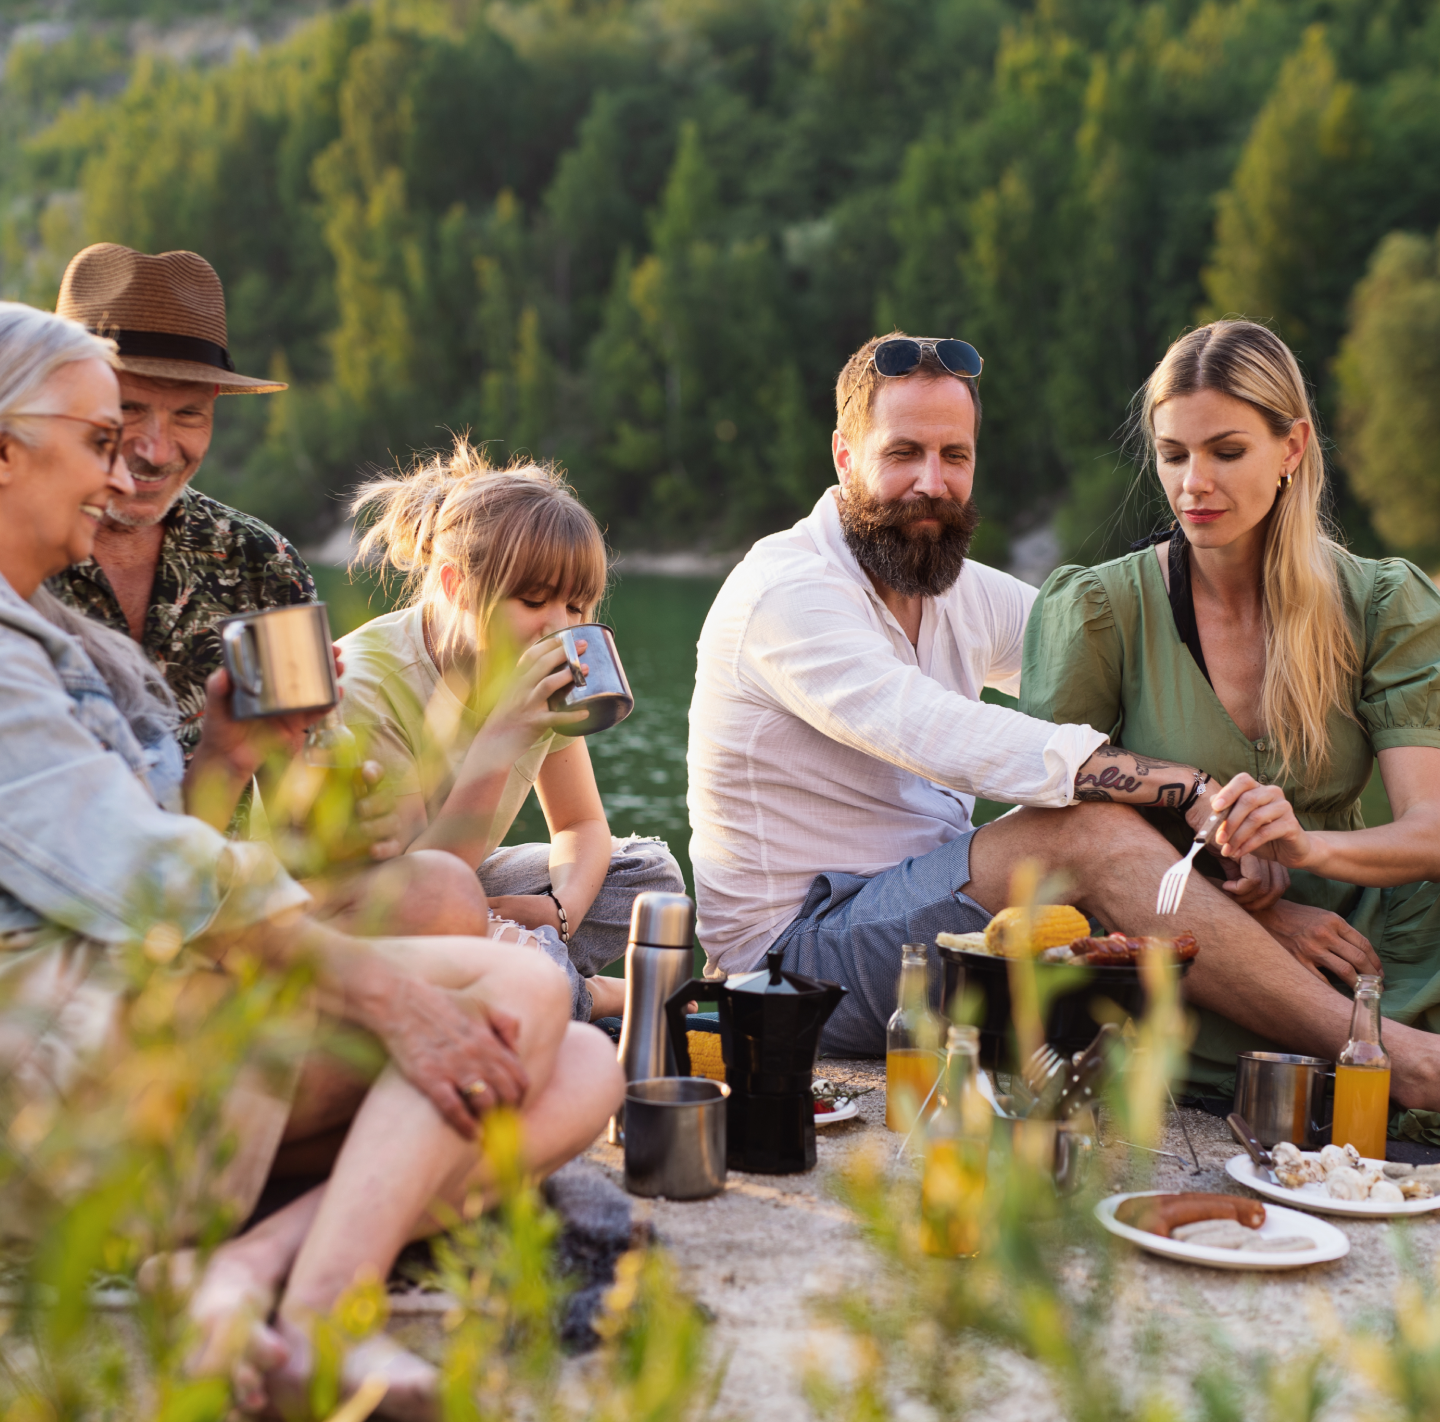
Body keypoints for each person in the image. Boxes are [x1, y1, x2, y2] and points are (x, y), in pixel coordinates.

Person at [0, 301, 624, 1420]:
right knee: (516, 990)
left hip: (140, 1014)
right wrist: (390, 997)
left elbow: (141, 850)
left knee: (582, 1070)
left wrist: (230, 758)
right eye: (102, 436)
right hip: (68, 1085)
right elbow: (140, 877)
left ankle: (239, 1270)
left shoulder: (77, 629)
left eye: (162, 424)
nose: (130, 466)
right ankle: (323, 1317)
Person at [686, 330, 1440, 1109]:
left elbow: (1086, 655)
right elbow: (939, 732)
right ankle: (1388, 1056)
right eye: (903, 453)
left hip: (939, 914)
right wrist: (1184, 785)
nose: (932, 483)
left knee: (1090, 820)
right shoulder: (787, 591)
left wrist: (1260, 904)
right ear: (845, 458)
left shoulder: (954, 590)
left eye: (955, 456)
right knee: (1083, 832)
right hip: (794, 959)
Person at [1019, 319, 1440, 1099]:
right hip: (1183, 956)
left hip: (1364, 948)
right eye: (1173, 454)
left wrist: (1302, 851)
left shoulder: (1385, 603)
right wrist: (1255, 924)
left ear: (1292, 447)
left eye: (1227, 451)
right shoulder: (1100, 609)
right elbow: (1053, 833)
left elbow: (1430, 830)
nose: (1193, 485)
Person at [335, 440, 686, 1022]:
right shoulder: (370, 686)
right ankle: (593, 996)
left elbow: (579, 823)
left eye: (577, 606)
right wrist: (501, 737)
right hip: (373, 913)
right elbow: (417, 895)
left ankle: (529, 967)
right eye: (533, 600)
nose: (559, 627)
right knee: (493, 942)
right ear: (455, 585)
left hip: (467, 886)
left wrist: (559, 910)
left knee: (650, 880)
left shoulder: (540, 668)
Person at [46, 243, 314, 760]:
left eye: (188, 415)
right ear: (61, 394)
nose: (157, 450)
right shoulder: (17, 551)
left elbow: (301, 797)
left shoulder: (261, 562)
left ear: (215, 401)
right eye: (127, 409)